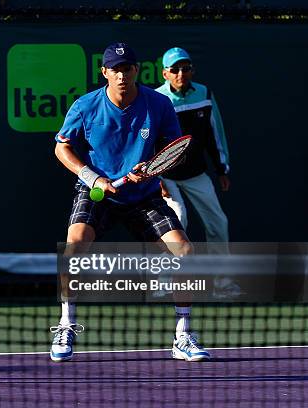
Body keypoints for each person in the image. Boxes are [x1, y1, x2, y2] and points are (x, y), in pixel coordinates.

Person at [51, 43, 210, 363]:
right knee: (74, 244)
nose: (122, 75)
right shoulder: (85, 106)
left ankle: (183, 336)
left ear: (136, 70)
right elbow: (62, 148)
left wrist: (152, 168)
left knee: (185, 251)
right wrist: (92, 177)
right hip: (98, 190)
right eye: (115, 70)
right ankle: (66, 324)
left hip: (144, 194)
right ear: (104, 73)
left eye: (127, 68)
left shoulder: (159, 104)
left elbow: (173, 149)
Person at [155, 47, 231, 250]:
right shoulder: (156, 99)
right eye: (175, 69)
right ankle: (165, 281)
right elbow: (148, 142)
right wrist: (155, 179)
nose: (181, 74)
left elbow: (215, 134)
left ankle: (222, 281)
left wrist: (221, 169)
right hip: (166, 176)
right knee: (177, 221)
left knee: (219, 223)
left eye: (186, 68)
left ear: (192, 70)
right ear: (165, 73)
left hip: (196, 173)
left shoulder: (204, 94)